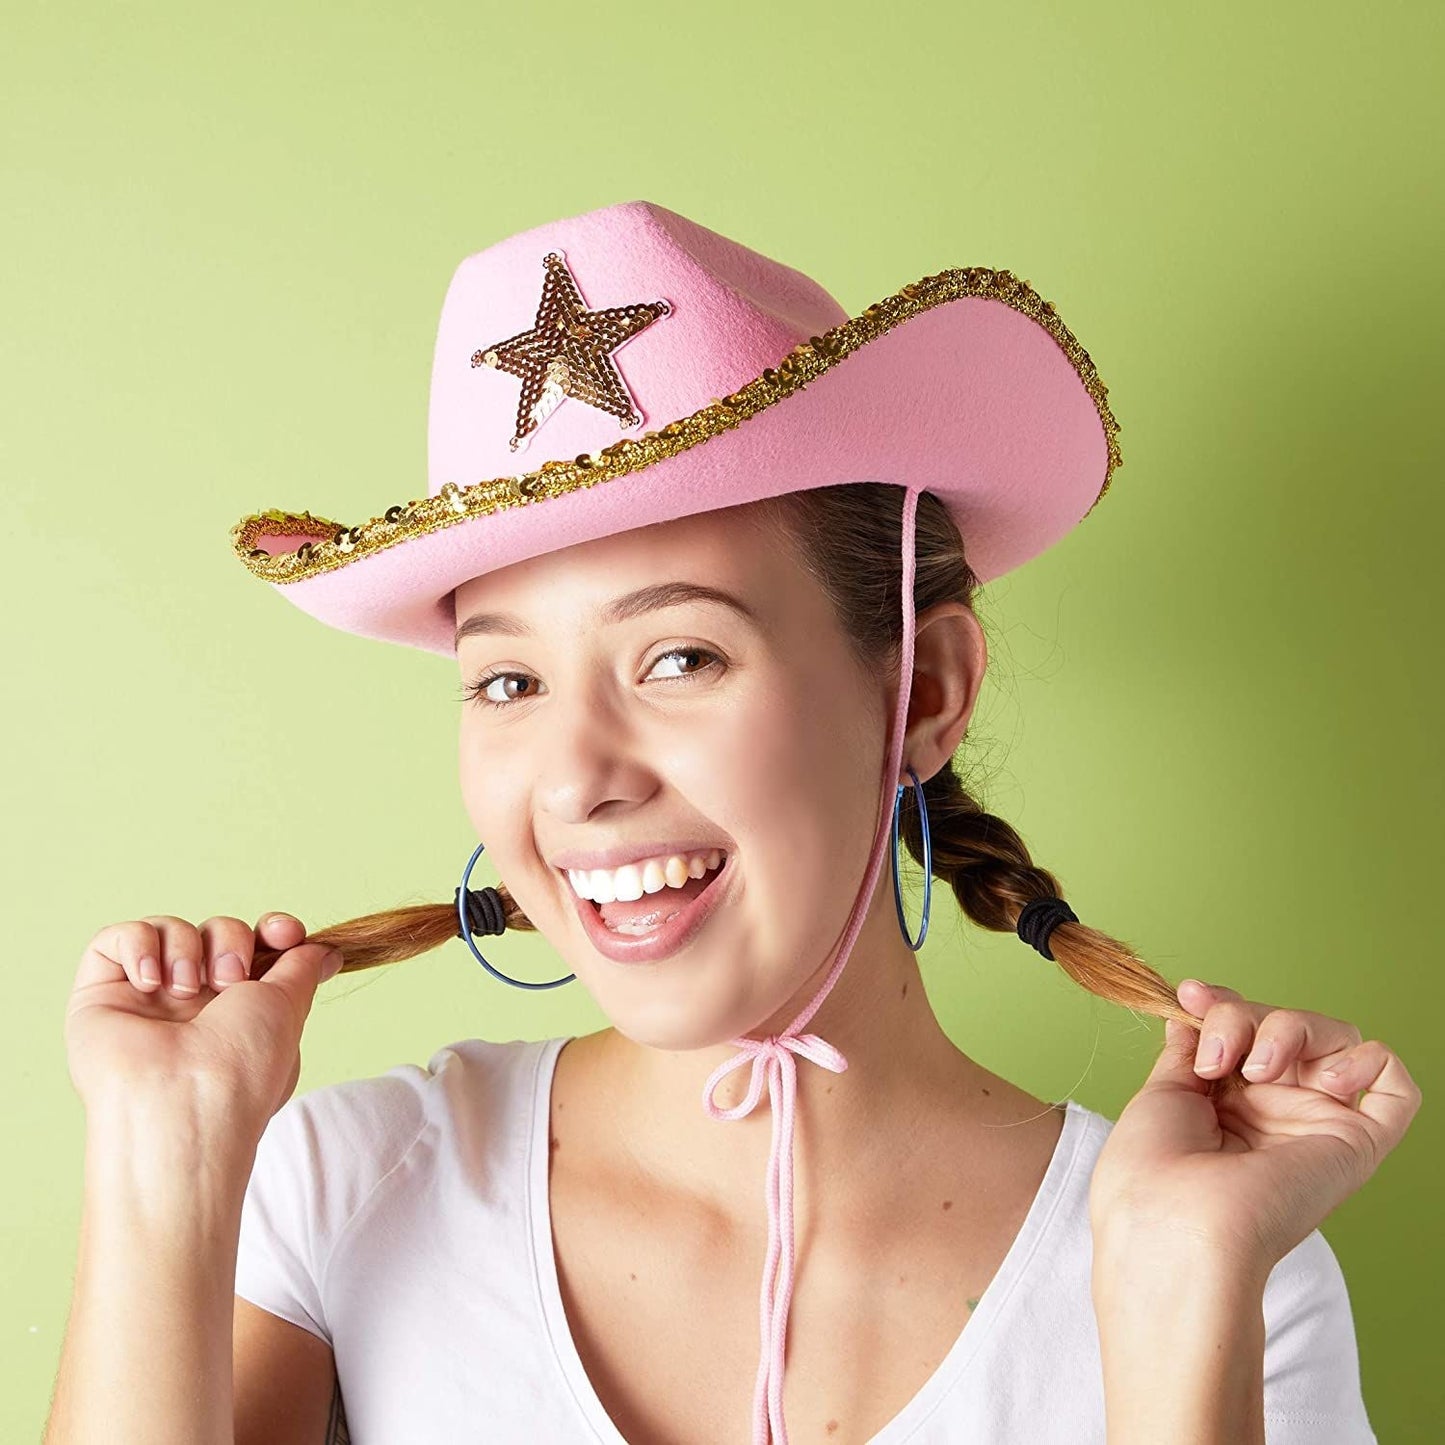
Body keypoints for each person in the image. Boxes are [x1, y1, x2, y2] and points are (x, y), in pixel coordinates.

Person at [46, 200, 1418, 1444]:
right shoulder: (346, 1190)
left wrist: (1178, 1301)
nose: (577, 773)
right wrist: (162, 1167)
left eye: (679, 657)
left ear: (922, 693)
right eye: (509, 680)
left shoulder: (1231, 1265)